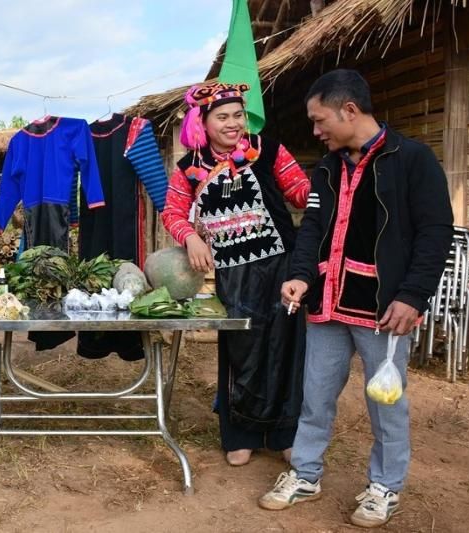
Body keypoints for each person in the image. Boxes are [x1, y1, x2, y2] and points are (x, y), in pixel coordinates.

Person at [258, 69, 453, 528]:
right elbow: (313, 230)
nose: (315, 130)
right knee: (316, 396)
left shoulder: (412, 160)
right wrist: (302, 276)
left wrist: (412, 296)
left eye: (319, 119)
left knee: (386, 401)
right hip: (327, 305)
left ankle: (384, 487)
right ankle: (305, 474)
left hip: (384, 309)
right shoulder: (326, 168)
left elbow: (435, 233)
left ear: (349, 110)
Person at [161, 82, 310, 467]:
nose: (233, 124)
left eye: (238, 115)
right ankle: (240, 433)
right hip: (234, 273)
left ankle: (285, 433)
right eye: (222, 117)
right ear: (204, 122)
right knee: (242, 350)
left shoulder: (269, 150)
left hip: (282, 265)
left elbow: (300, 191)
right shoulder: (190, 168)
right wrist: (191, 237)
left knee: (285, 347)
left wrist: (321, 193)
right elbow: (173, 213)